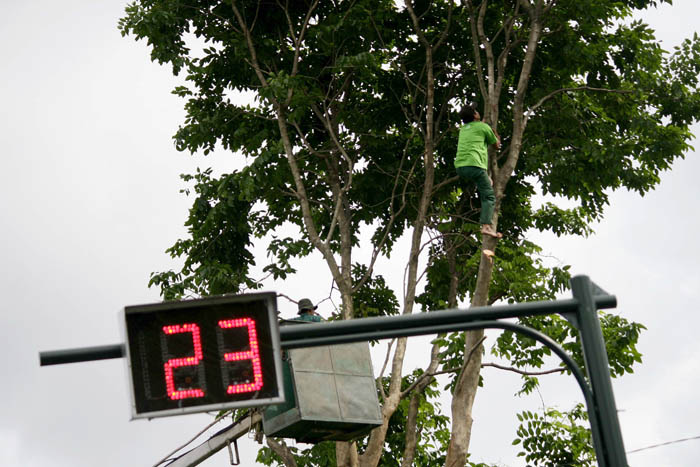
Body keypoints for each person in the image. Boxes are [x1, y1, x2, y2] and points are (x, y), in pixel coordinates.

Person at [454, 104, 502, 240]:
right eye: (476, 110)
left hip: (461, 167)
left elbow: (477, 132)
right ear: (475, 115)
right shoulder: (483, 127)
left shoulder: (463, 129)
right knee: (489, 196)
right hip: (475, 166)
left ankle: (486, 178)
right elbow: (496, 145)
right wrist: (496, 134)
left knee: (486, 181)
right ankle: (486, 226)